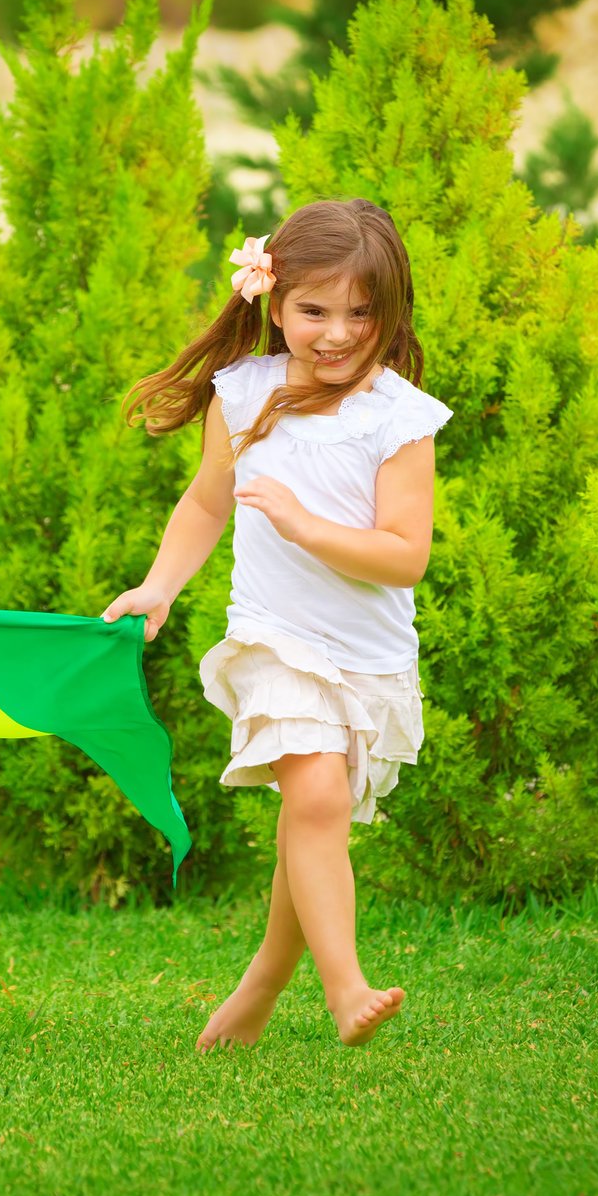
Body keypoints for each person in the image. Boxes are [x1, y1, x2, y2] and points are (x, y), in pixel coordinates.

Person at [103, 199, 451, 1049]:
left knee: (311, 819)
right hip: (274, 639)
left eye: (360, 313)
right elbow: (205, 501)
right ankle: (346, 991)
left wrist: (306, 525)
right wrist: (160, 587)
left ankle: (263, 979)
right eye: (314, 311)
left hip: (368, 656)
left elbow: (404, 556)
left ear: (391, 310)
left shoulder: (401, 418)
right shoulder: (244, 391)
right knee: (319, 793)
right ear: (273, 301)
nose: (336, 334)